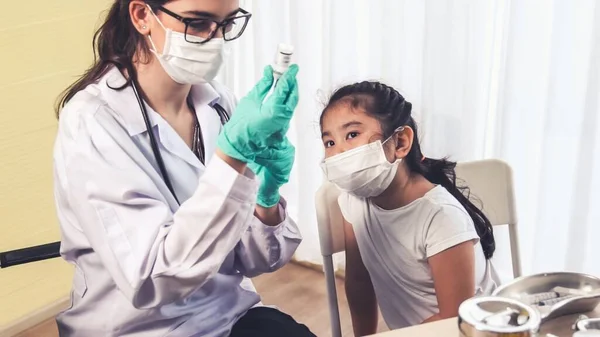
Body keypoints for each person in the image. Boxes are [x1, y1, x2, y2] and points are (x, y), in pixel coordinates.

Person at [52, 1, 315, 336]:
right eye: (199, 22)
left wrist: (266, 200)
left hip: (225, 313)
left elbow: (255, 260)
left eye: (226, 23)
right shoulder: (93, 122)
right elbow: (149, 281)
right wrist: (231, 160)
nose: (215, 38)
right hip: (140, 328)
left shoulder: (219, 104)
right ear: (142, 15)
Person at [319, 81, 500, 336]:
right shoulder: (353, 201)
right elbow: (359, 282)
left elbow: (454, 322)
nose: (338, 152)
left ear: (401, 142)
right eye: (329, 142)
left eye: (351, 135)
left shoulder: (441, 217)